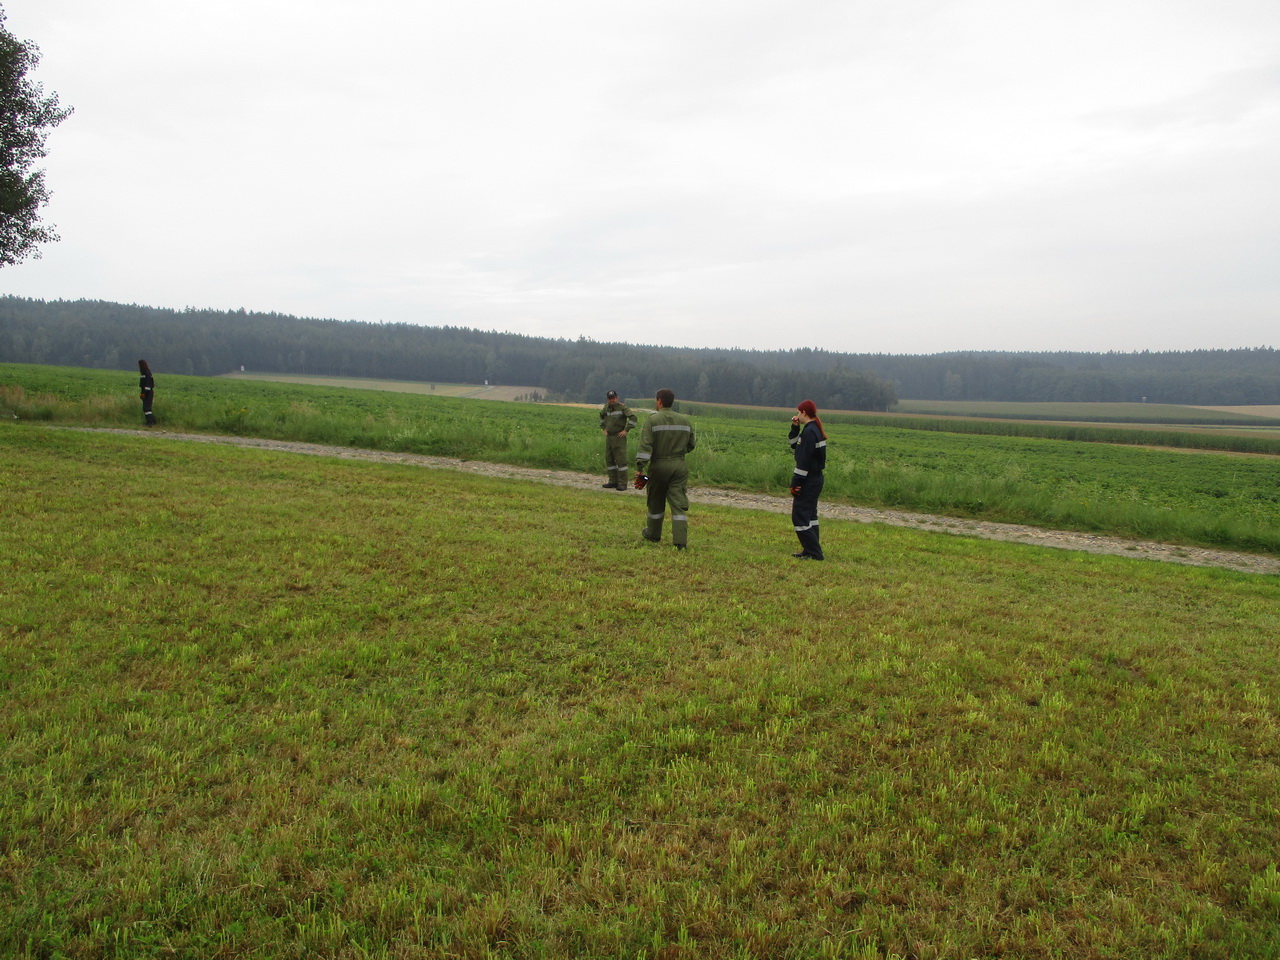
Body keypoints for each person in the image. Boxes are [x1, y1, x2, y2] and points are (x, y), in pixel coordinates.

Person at [635, 388, 696, 549]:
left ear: (659, 401)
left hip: (659, 465)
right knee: (678, 504)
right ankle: (680, 542)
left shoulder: (652, 420)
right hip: (679, 466)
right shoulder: (684, 420)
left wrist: (640, 467)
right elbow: (691, 445)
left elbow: (645, 447)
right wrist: (678, 453)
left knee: (655, 502)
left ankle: (653, 534)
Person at [788, 399, 827, 560]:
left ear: (804, 412)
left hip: (809, 480)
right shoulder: (813, 429)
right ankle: (809, 550)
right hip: (815, 479)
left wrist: (796, 483)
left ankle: (815, 553)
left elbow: (803, 461)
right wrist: (795, 427)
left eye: (798, 412)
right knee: (810, 516)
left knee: (799, 516)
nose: (797, 415)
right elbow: (793, 444)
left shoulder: (810, 432)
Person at [599, 390, 636, 490]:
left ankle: (623, 483)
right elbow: (601, 417)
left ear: (617, 398)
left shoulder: (623, 408)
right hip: (609, 437)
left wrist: (626, 430)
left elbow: (633, 418)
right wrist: (604, 428)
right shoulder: (606, 408)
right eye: (610, 398)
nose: (612, 400)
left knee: (621, 461)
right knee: (609, 459)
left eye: (613, 398)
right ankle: (613, 481)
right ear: (608, 399)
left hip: (619, 438)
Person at [138, 359, 156, 426]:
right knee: (147, 408)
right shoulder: (145, 372)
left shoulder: (147, 373)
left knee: (146, 408)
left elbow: (147, 385)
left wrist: (144, 393)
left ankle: (150, 422)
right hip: (146, 392)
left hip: (148, 393)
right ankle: (153, 421)